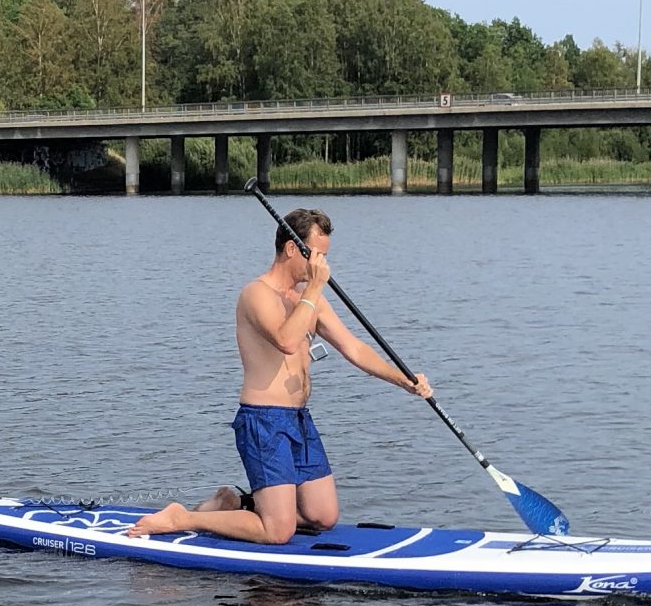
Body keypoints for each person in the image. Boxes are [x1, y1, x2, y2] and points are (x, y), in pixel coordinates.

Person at [126, 206, 433, 544]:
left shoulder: (306, 296)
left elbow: (353, 348)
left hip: (299, 419)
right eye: (317, 256)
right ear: (291, 249)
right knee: (279, 532)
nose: (323, 266)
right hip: (264, 421)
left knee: (324, 516)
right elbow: (287, 340)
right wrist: (315, 290)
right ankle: (183, 517)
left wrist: (402, 380)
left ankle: (236, 503)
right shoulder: (257, 294)